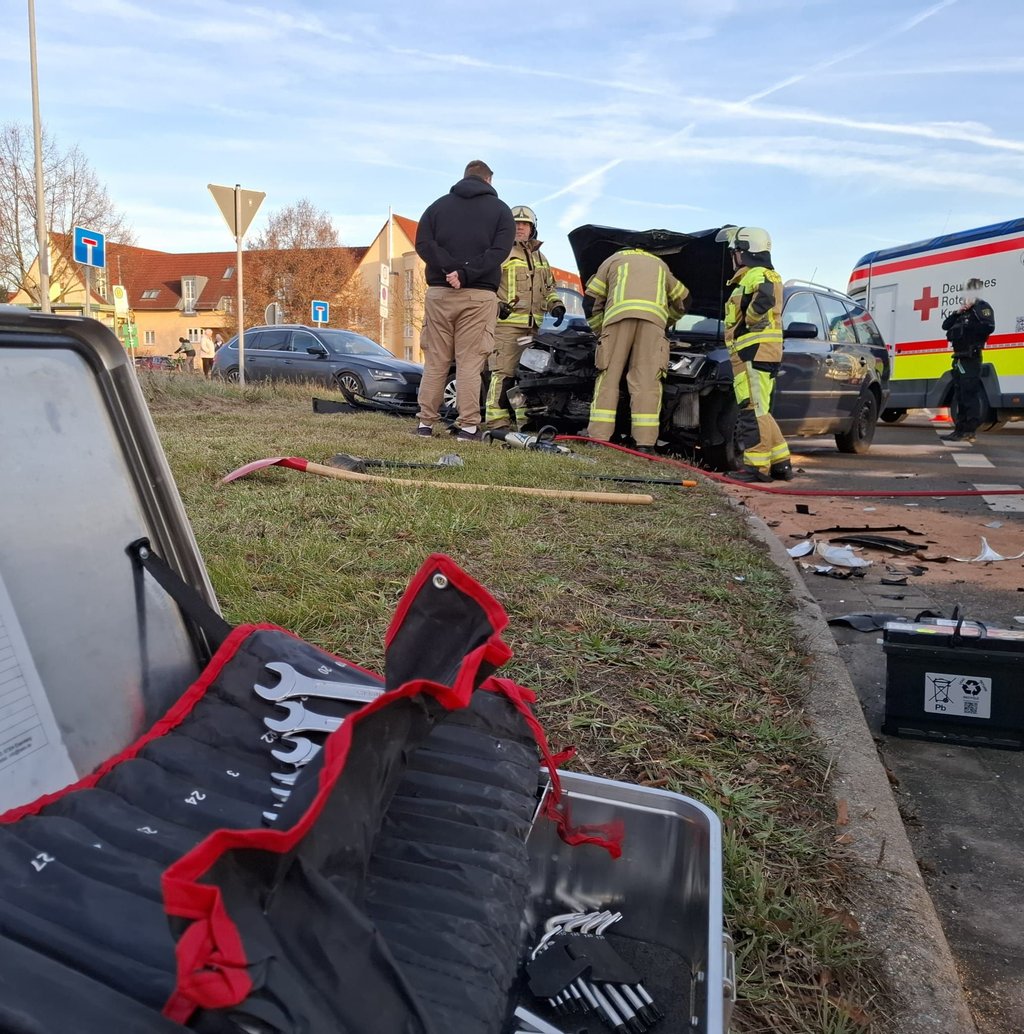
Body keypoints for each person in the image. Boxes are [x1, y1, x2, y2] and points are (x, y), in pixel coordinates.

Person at [414, 160, 516, 441]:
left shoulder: (437, 207)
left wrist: (449, 269)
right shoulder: (501, 211)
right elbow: (499, 251)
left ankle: (425, 424)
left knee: (436, 360)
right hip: (479, 295)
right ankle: (468, 427)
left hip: (439, 293)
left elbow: (423, 243)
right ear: (489, 180)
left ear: (464, 177)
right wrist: (467, 272)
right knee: (471, 362)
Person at [582, 246, 689, 452]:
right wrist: (664, 323)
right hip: (653, 325)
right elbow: (684, 300)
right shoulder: (661, 265)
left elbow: (592, 300)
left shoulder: (613, 259)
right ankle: (645, 444)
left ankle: (599, 439)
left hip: (617, 319)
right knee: (647, 382)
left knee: (608, 377)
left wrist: (600, 330)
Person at [716, 226, 793, 482]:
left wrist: (748, 321)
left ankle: (756, 468)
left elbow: (764, 299)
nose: (733, 256)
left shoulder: (759, 275)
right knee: (761, 410)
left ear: (745, 251)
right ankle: (780, 462)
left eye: (735, 251)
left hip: (753, 351)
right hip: (759, 352)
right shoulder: (754, 276)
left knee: (753, 410)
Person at [484, 206, 565, 430]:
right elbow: (486, 286)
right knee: (504, 374)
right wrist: (497, 305)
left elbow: (550, 288)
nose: (520, 227)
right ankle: (496, 422)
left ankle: (524, 422)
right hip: (506, 328)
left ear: (532, 229)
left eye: (525, 224)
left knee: (527, 378)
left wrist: (556, 305)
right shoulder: (499, 252)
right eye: (516, 223)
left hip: (533, 330)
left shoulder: (541, 257)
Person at [940, 278, 995, 444]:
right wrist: (958, 312)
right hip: (959, 358)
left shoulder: (981, 308)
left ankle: (969, 431)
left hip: (971, 358)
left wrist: (969, 320)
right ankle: (959, 430)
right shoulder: (963, 311)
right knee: (959, 395)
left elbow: (988, 327)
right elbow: (945, 325)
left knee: (969, 395)